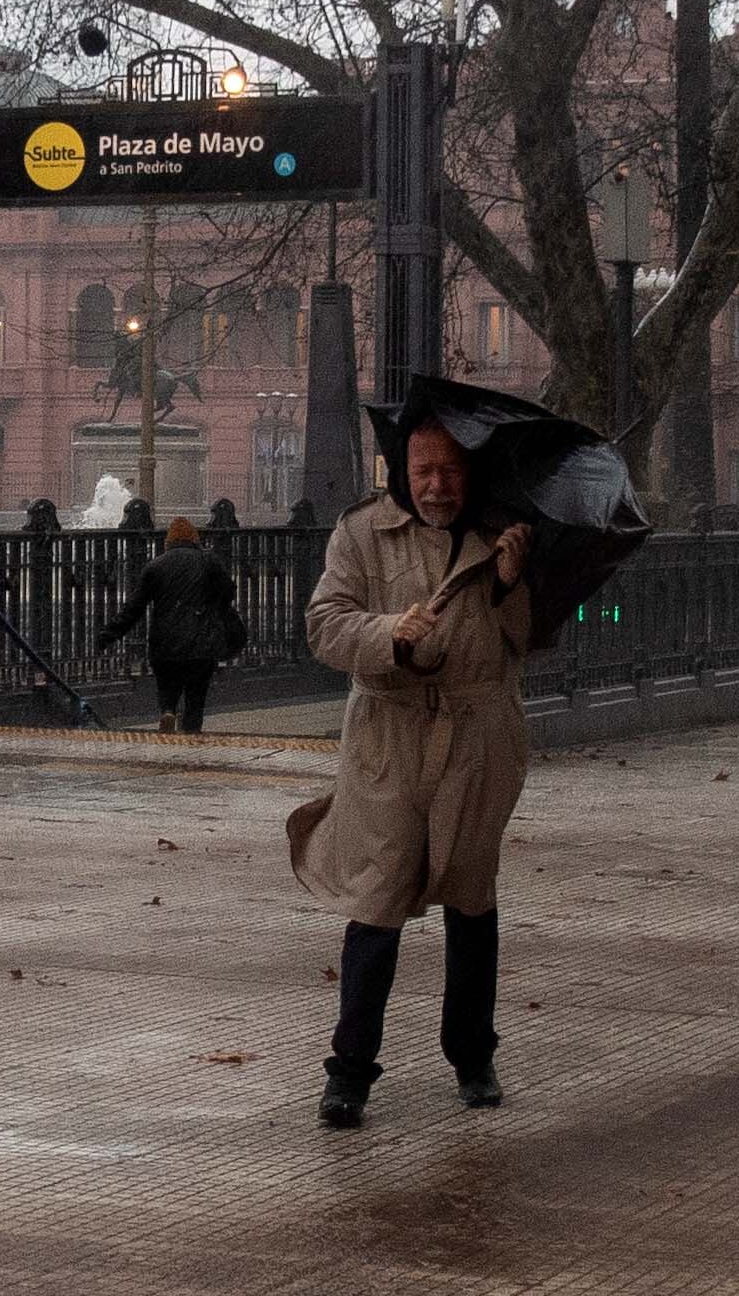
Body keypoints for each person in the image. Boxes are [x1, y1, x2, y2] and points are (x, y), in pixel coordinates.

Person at [294, 419, 532, 1128]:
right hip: (389, 740)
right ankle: (349, 1073)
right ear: (401, 467)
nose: (437, 485)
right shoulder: (362, 532)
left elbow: (531, 639)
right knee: (376, 900)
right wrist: (385, 632)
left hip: (476, 738)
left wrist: (512, 586)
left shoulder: (504, 535)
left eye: (451, 471)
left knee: (471, 896)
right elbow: (324, 624)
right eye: (424, 470)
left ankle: (473, 1056)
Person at [102, 514, 246, 732]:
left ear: (168, 542)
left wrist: (108, 635)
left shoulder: (155, 567)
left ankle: (168, 711)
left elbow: (134, 609)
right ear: (195, 540)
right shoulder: (209, 562)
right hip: (202, 643)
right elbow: (228, 593)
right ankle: (191, 735)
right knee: (195, 698)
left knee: (168, 687)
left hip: (165, 644)